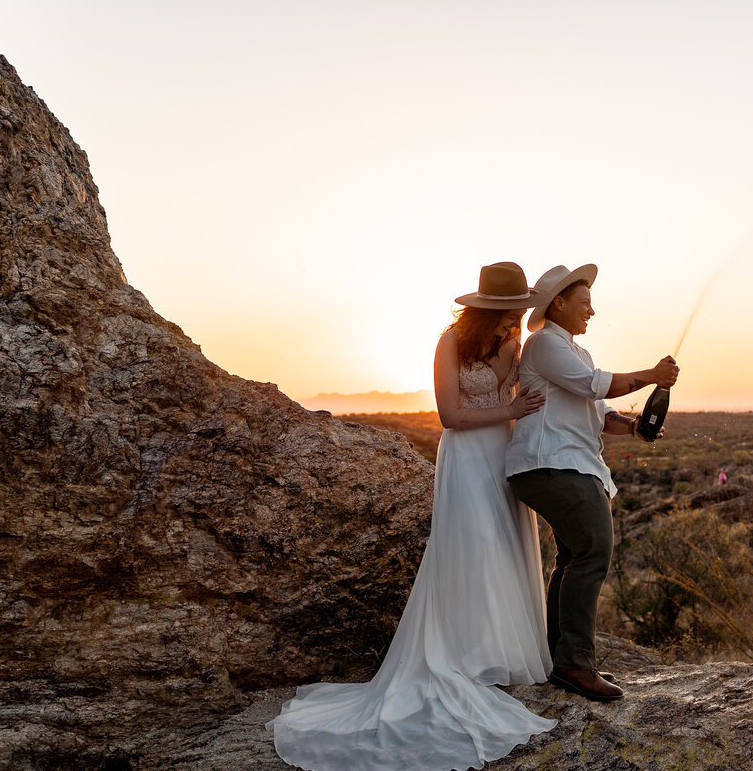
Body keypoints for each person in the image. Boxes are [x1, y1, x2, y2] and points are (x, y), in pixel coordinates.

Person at [267, 262, 556, 771]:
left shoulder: (515, 343)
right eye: (515, 307)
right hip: (467, 455)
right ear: (490, 306)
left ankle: (498, 654)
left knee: (503, 545)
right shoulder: (451, 343)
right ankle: (462, 658)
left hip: (504, 455)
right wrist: (510, 412)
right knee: (473, 546)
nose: (520, 315)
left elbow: (535, 393)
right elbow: (450, 415)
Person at [506, 264, 679, 702]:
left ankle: (558, 656)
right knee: (594, 550)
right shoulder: (544, 343)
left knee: (572, 556)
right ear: (558, 303)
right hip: (552, 466)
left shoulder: (572, 351)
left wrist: (635, 426)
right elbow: (596, 384)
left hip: (567, 464)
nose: (592, 311)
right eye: (584, 303)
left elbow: (599, 411)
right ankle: (573, 664)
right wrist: (653, 374)